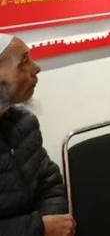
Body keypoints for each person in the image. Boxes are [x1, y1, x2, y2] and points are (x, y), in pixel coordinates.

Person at [0, 34, 75, 236]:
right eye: (24, 61)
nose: (36, 68)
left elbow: (49, 182)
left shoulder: (24, 123)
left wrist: (54, 222)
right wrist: (39, 229)